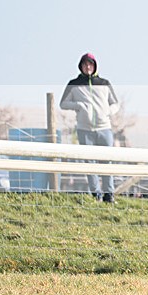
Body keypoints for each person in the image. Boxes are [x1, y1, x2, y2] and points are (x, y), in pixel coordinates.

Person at [60, 52, 120, 203]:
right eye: (85, 64)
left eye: (90, 64)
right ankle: (96, 194)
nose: (88, 67)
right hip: (84, 129)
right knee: (90, 163)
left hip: (104, 128)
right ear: (80, 66)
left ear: (95, 66)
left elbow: (115, 103)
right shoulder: (74, 83)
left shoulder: (104, 83)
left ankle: (109, 194)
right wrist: (78, 105)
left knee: (107, 161)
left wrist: (108, 112)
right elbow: (63, 103)